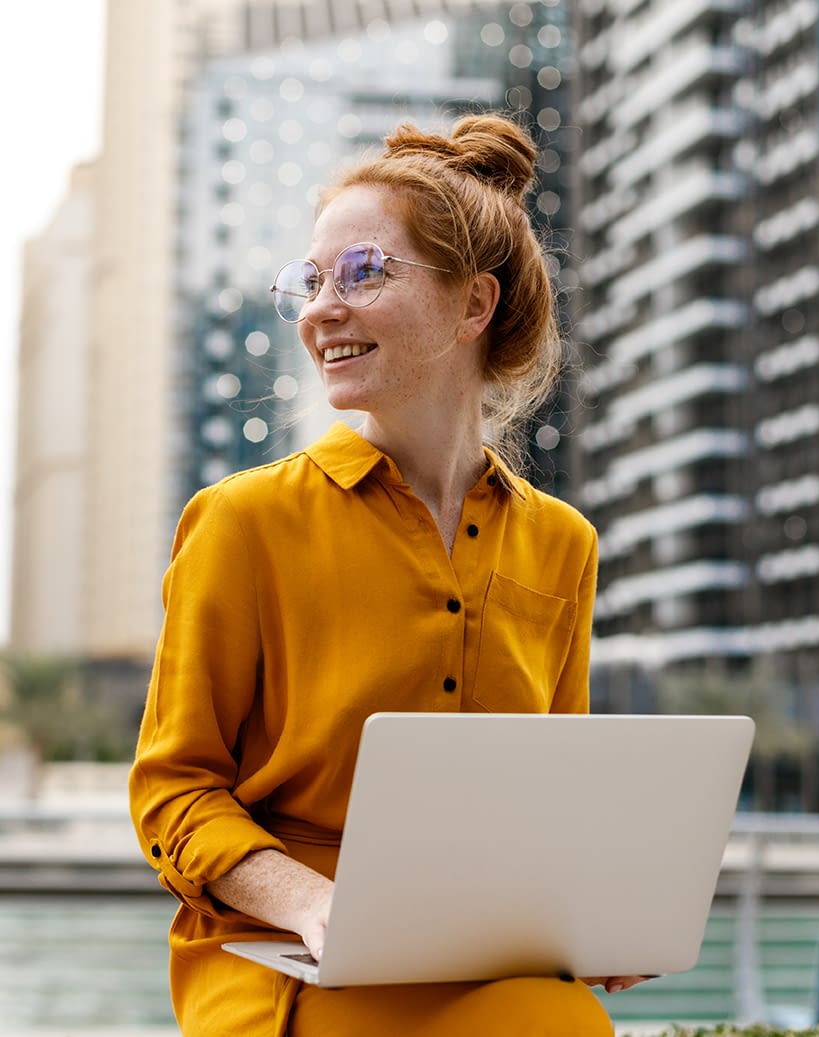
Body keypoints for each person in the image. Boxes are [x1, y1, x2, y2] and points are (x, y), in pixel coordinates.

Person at [129, 112, 648, 1037]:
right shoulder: (242, 522)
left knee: (567, 1026)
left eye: (364, 272)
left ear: (471, 306)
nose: (323, 308)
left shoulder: (563, 542)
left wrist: (592, 912)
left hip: (483, 947)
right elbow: (174, 793)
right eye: (311, 280)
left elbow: (547, 795)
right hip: (282, 952)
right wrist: (317, 902)